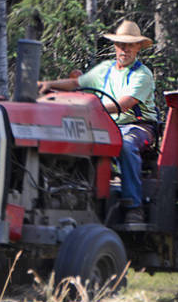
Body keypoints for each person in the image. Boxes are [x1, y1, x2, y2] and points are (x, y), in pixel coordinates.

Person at [38, 19, 158, 224]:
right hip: (104, 125)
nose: (125, 49)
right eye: (121, 45)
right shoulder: (105, 69)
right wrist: (49, 84)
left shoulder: (142, 75)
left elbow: (125, 104)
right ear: (115, 46)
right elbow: (77, 82)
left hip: (137, 126)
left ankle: (134, 206)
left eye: (130, 45)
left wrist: (90, 108)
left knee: (126, 145)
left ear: (138, 47)